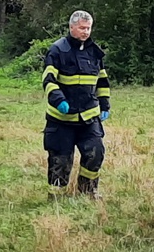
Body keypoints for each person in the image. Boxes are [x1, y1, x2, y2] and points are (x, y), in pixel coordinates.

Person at [42, 10, 111, 196]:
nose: (85, 32)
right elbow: (48, 80)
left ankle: (87, 192)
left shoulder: (95, 52)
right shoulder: (57, 50)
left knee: (95, 153)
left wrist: (104, 105)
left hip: (89, 117)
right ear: (71, 27)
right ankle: (56, 197)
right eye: (82, 28)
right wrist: (59, 100)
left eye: (88, 28)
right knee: (60, 160)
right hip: (62, 119)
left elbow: (102, 81)